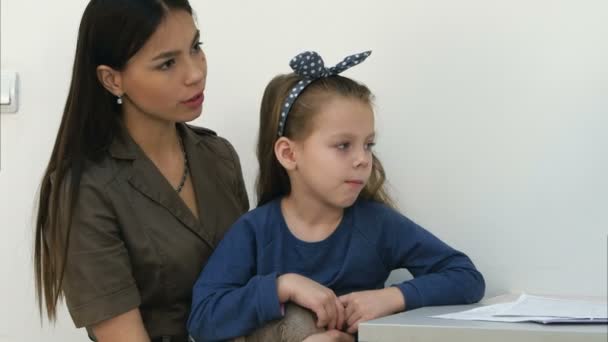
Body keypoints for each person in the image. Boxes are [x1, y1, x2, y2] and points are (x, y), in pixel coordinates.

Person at [186, 50, 486, 341]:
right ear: (289, 154)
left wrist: (392, 297)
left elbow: (466, 277)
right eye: (343, 145)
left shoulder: (377, 224)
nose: (362, 160)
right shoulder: (255, 231)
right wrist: (282, 286)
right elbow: (202, 318)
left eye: (368, 144)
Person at [33, 1, 248, 341]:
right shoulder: (85, 188)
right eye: (167, 63)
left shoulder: (218, 157)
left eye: (196, 47)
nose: (195, 73)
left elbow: (248, 287)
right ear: (112, 80)